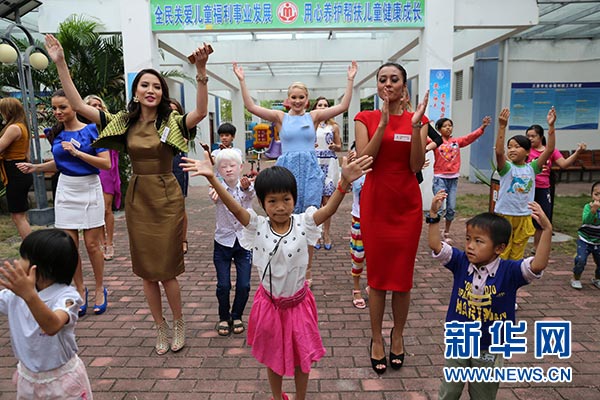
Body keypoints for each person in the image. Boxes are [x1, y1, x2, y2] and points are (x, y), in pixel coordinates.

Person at [44, 33, 211, 354]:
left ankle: (178, 322)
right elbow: (78, 105)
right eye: (145, 85)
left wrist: (200, 71)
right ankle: (159, 327)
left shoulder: (173, 121)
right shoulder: (123, 121)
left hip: (166, 196)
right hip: (139, 198)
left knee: (168, 269)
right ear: (136, 92)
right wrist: (61, 63)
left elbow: (201, 112)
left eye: (157, 87)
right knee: (147, 270)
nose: (151, 90)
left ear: (162, 94)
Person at [181, 152, 372, 400]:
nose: (280, 207)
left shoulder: (304, 222)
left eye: (286, 199)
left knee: (301, 360)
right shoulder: (256, 225)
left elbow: (329, 210)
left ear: (294, 198)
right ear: (261, 202)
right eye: (272, 201)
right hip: (269, 306)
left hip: (299, 305)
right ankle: (276, 395)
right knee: (273, 360)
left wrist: (344, 183)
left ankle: (300, 397)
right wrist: (213, 179)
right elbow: (234, 207)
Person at [233, 60, 358, 287]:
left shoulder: (313, 117)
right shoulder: (281, 117)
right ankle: (283, 262)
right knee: (284, 215)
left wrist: (350, 80)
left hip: (310, 170)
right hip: (287, 169)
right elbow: (251, 107)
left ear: (307, 100)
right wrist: (242, 81)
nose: (298, 101)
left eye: (302, 97)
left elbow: (343, 107)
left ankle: (307, 270)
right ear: (288, 99)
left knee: (309, 217)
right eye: (294, 97)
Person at [428, 191, 551, 400]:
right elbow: (436, 246)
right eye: (468, 239)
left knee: (483, 394)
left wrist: (547, 230)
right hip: (460, 339)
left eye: (478, 241)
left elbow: (538, 264)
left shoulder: (510, 271)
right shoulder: (460, 262)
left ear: (500, 248)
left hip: (491, 346)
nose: (469, 245)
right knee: (449, 391)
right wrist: (433, 215)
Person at [354, 62, 429, 374]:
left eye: (394, 79)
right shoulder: (365, 118)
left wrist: (413, 126)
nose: (388, 84)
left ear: (403, 86)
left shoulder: (419, 120)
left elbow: (415, 166)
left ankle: (397, 334)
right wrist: (383, 125)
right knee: (378, 278)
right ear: (377, 86)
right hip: (376, 203)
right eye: (382, 79)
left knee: (402, 279)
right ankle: (376, 339)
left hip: (407, 206)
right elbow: (363, 161)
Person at [17, 89, 111, 318]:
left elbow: (105, 164)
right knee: (69, 247)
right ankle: (79, 289)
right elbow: (60, 163)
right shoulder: (56, 134)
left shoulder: (93, 130)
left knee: (92, 244)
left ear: (75, 107)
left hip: (89, 187)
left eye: (62, 107)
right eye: (54, 108)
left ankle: (100, 288)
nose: (57, 112)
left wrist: (78, 153)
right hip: (67, 189)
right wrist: (37, 168)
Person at [0, 229, 92, 399]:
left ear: (43, 267)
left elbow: (53, 325)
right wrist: (25, 293)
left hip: (62, 382)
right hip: (27, 379)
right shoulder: (15, 295)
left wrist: (29, 296)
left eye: (23, 258)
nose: (17, 262)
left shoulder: (67, 297)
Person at [494, 107, 555, 260]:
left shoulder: (532, 168)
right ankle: (499, 278)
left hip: (523, 216)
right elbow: (499, 153)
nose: (512, 150)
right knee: (502, 252)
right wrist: (502, 127)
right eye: (510, 147)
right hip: (505, 215)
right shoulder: (507, 168)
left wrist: (551, 127)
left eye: (517, 146)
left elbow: (549, 150)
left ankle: (512, 279)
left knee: (517, 254)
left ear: (528, 151)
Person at [210, 149, 254, 336]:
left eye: (232, 165)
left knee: (244, 284)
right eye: (223, 167)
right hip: (223, 241)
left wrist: (245, 188)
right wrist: (216, 191)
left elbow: (248, 195)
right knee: (224, 285)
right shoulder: (216, 188)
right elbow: (215, 196)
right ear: (218, 171)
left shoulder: (247, 188)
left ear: (240, 167)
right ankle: (223, 316)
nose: (228, 169)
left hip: (244, 241)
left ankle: (237, 315)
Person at [426, 115, 492, 242]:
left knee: (451, 207)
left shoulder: (456, 142)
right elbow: (422, 139)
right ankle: (434, 231)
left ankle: (446, 232)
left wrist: (482, 127)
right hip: (440, 178)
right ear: (439, 129)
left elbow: (469, 138)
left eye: (450, 126)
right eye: (445, 126)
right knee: (439, 207)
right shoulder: (435, 142)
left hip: (453, 179)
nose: (448, 128)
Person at [526, 124, 586, 252]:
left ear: (541, 137)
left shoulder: (550, 150)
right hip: (526, 188)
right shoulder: (525, 150)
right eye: (528, 136)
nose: (530, 139)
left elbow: (564, 164)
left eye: (533, 136)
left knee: (540, 219)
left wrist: (577, 153)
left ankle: (536, 248)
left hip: (542, 188)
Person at [84, 95, 121, 261]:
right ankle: (100, 241)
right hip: (90, 170)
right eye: (93, 105)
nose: (97, 108)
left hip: (108, 170)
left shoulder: (109, 126)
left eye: (99, 105)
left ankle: (109, 242)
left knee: (106, 208)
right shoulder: (83, 129)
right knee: (96, 208)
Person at [0, 97, 33, 239]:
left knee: (17, 216)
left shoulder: (14, 128)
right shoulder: (23, 126)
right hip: (20, 169)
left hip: (14, 171)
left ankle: (31, 248)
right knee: (20, 215)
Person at [311, 96, 341, 250]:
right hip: (314, 163)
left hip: (330, 163)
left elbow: (339, 146)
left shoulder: (334, 126)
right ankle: (316, 234)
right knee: (314, 200)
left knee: (327, 201)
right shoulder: (310, 125)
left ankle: (327, 233)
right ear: (315, 107)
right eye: (320, 105)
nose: (323, 107)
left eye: (325, 105)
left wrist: (334, 147)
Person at [169, 98, 190, 255]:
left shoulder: (182, 128)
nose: (171, 113)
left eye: (175, 110)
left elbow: (180, 143)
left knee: (179, 205)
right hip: (159, 167)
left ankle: (183, 240)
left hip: (177, 166)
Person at [571, 180, 600, 290]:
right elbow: (586, 221)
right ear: (592, 195)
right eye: (596, 194)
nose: (598, 197)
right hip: (585, 239)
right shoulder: (588, 207)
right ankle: (576, 278)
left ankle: (597, 278)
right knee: (580, 260)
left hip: (598, 240)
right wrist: (593, 211)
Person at [348, 147, 367, 309]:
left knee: (378, 255)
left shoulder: (379, 170)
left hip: (379, 220)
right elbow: (344, 185)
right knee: (358, 255)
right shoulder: (355, 174)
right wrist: (347, 165)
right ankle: (356, 288)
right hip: (359, 218)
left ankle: (373, 285)